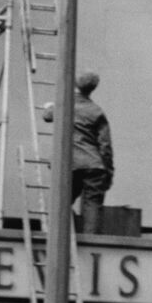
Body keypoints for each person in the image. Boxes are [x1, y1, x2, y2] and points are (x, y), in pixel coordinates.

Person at [42, 70, 115, 234]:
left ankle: (63, 234)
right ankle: (90, 241)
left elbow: (47, 116)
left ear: (75, 84)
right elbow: (105, 146)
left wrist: (49, 106)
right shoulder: (97, 111)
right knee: (92, 204)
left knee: (61, 202)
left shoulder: (64, 105)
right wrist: (109, 172)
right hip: (94, 164)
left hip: (68, 163)